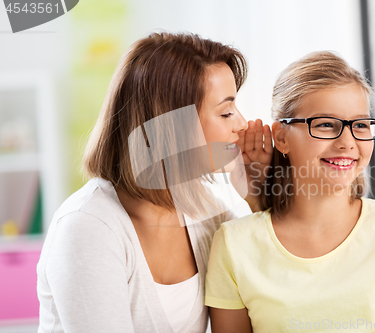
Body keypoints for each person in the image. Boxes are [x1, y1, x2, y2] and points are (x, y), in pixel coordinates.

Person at [36, 31, 272, 333]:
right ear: (172, 125)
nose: (242, 124)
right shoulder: (87, 228)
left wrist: (256, 199)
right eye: (226, 112)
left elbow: (275, 289)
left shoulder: (207, 211)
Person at [205, 51, 375, 332]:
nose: (347, 141)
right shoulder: (233, 244)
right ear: (282, 137)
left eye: (360, 125)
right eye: (326, 125)